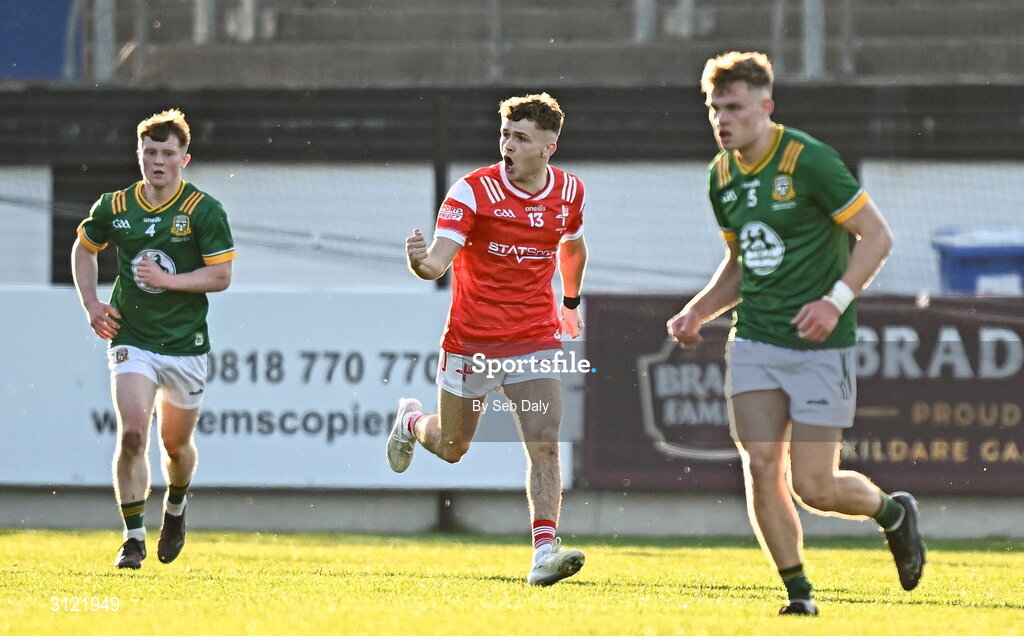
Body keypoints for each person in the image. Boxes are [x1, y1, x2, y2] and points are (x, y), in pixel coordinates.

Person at [666, 51, 924, 615]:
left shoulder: (809, 161)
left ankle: (893, 512)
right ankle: (799, 595)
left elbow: (877, 237)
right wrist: (697, 312)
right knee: (760, 465)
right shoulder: (722, 176)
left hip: (818, 346)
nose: (721, 119)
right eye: (714, 108)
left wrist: (834, 303)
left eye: (733, 107)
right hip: (754, 338)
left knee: (816, 486)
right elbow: (740, 266)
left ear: (766, 106)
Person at [387, 93, 588, 586]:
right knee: (454, 448)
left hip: (534, 338)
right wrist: (418, 261)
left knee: (545, 444)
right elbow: (437, 262)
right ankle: (412, 422)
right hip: (471, 342)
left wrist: (569, 303)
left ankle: (544, 551)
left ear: (549, 148)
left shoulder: (570, 192)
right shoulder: (472, 192)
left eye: (521, 138)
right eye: (504, 135)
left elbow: (573, 247)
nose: (508, 146)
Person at [72, 108, 236, 570]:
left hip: (184, 344)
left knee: (176, 447)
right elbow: (83, 249)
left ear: (185, 159)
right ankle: (133, 537)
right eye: (149, 151)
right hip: (133, 337)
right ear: (138, 154)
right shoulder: (116, 206)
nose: (157, 160)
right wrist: (91, 303)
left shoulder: (203, 210)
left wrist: (169, 280)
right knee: (131, 434)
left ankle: (177, 508)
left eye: (167, 152)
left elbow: (221, 276)